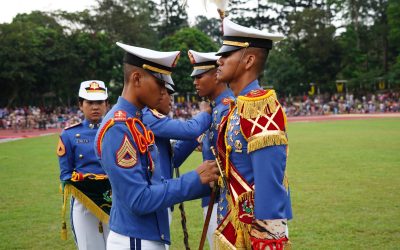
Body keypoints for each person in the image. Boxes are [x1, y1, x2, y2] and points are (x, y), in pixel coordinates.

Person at [94, 42, 219, 250]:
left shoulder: (134, 122)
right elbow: (139, 199)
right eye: (160, 84)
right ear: (136, 79)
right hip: (136, 239)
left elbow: (158, 177)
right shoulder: (119, 128)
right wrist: (194, 179)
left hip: (146, 236)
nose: (164, 92)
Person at [213, 18, 293, 249]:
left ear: (248, 60)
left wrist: (266, 240)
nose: (219, 60)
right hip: (236, 224)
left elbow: (268, 184)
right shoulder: (238, 106)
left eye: (227, 55)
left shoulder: (260, 106)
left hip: (257, 233)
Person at [188, 49, 235, 248]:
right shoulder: (215, 109)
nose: (195, 82)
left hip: (225, 201)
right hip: (212, 199)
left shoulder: (227, 108)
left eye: (199, 76)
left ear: (216, 75)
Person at [57, 80, 111, 250]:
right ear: (80, 105)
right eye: (90, 102)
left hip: (114, 199)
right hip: (84, 201)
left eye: (99, 102)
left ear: (107, 104)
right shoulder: (69, 135)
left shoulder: (116, 130)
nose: (95, 107)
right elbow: (65, 174)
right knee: (89, 246)